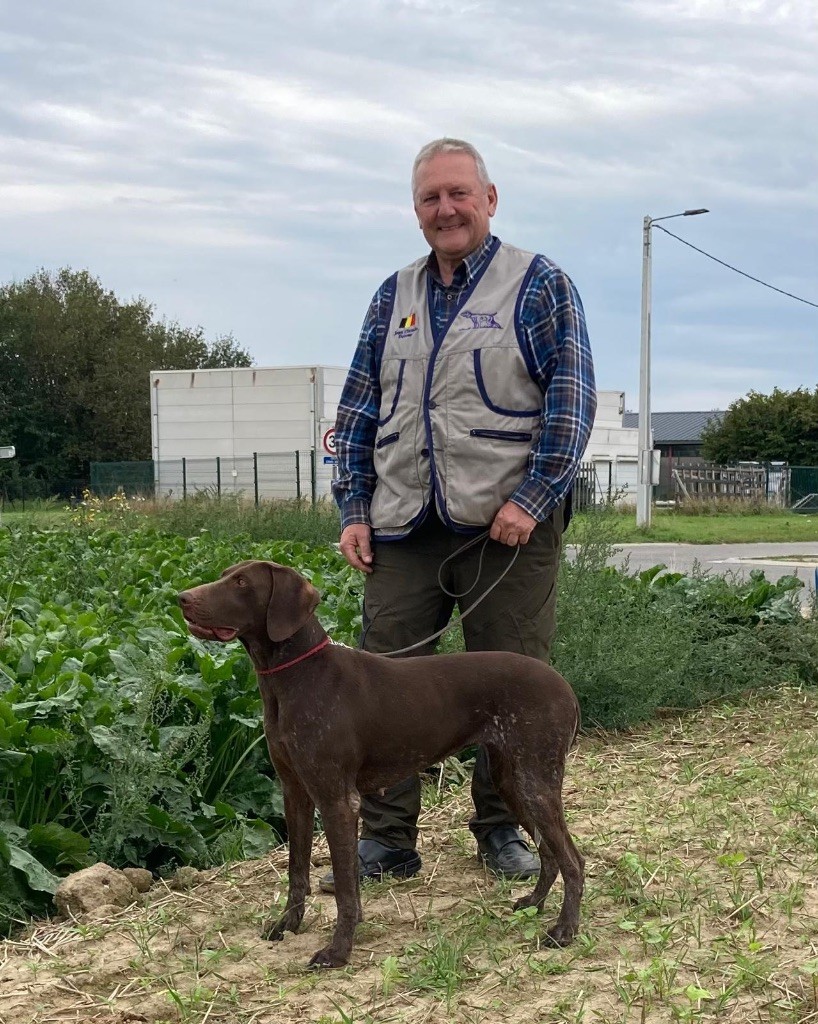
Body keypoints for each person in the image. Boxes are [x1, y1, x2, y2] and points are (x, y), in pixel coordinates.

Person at [325, 137, 596, 892]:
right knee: (382, 682)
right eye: (430, 198)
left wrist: (531, 499)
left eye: (458, 194)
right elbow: (358, 410)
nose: (445, 209)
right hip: (403, 526)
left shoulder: (539, 285)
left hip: (506, 531)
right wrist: (354, 508)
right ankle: (386, 841)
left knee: (508, 681)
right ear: (415, 209)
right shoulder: (393, 296)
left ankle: (502, 829)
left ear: (489, 199)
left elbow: (570, 402)